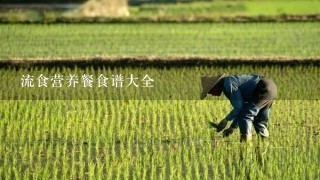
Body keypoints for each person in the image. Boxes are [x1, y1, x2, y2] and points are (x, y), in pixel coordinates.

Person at [200, 74, 277, 142]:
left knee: (246, 115)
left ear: (214, 86)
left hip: (263, 88)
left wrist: (226, 120)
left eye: (210, 92)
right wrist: (232, 128)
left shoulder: (228, 84)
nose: (212, 94)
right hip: (270, 87)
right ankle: (264, 143)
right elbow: (240, 109)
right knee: (259, 121)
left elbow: (239, 108)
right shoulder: (228, 83)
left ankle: (245, 144)